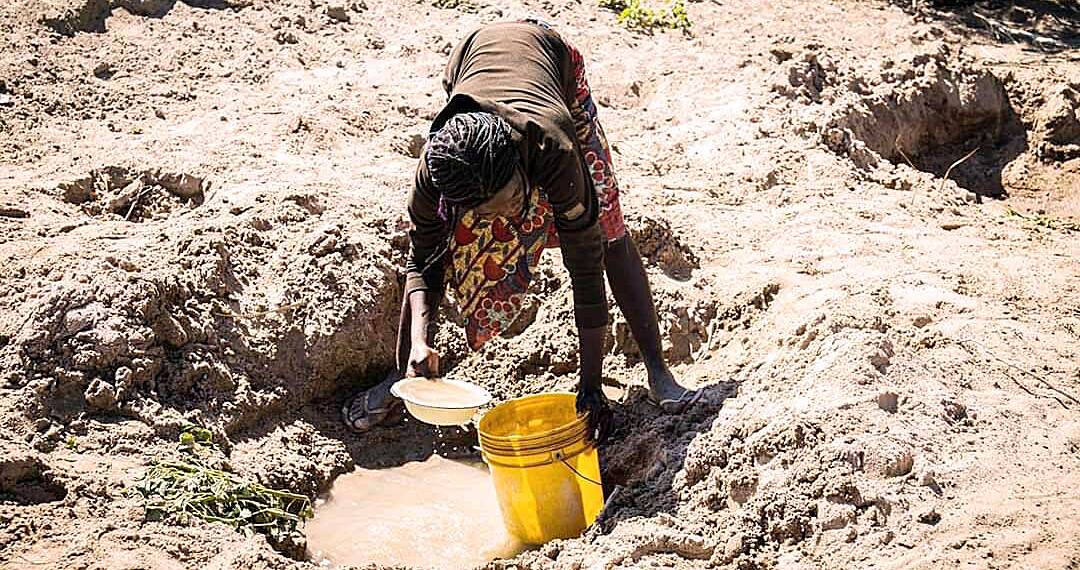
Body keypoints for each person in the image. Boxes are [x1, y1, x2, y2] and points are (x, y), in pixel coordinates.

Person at [343, 19, 700, 442]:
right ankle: (402, 377)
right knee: (445, 246)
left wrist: (590, 387)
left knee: (606, 230)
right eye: (487, 211)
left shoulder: (554, 146)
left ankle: (658, 369)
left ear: (519, 166)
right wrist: (419, 344)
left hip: (551, 61)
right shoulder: (439, 171)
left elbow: (585, 268)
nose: (505, 217)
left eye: (511, 200)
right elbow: (423, 259)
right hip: (471, 59)